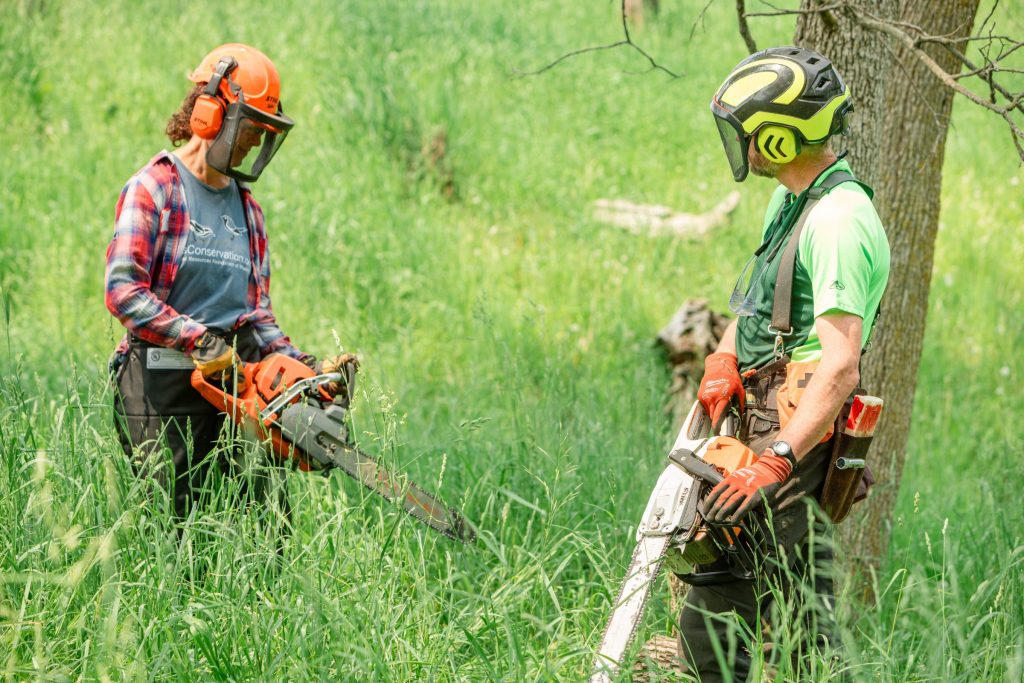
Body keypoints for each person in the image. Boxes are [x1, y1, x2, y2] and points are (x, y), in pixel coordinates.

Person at [677, 46, 891, 680]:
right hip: (761, 422)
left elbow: (840, 364)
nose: (741, 146)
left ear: (777, 135)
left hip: (797, 439)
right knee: (781, 618)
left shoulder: (841, 220)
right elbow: (754, 308)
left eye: (746, 133)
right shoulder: (791, 205)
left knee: (738, 622)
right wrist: (721, 359)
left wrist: (778, 459)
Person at [105, 43, 356, 522]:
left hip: (233, 382)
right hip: (160, 381)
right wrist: (199, 340)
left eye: (264, 133)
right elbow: (123, 290)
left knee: (267, 529)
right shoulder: (155, 187)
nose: (253, 143)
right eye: (250, 128)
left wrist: (307, 369)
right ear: (209, 111)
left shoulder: (248, 211)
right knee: (175, 532)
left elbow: (256, 316)